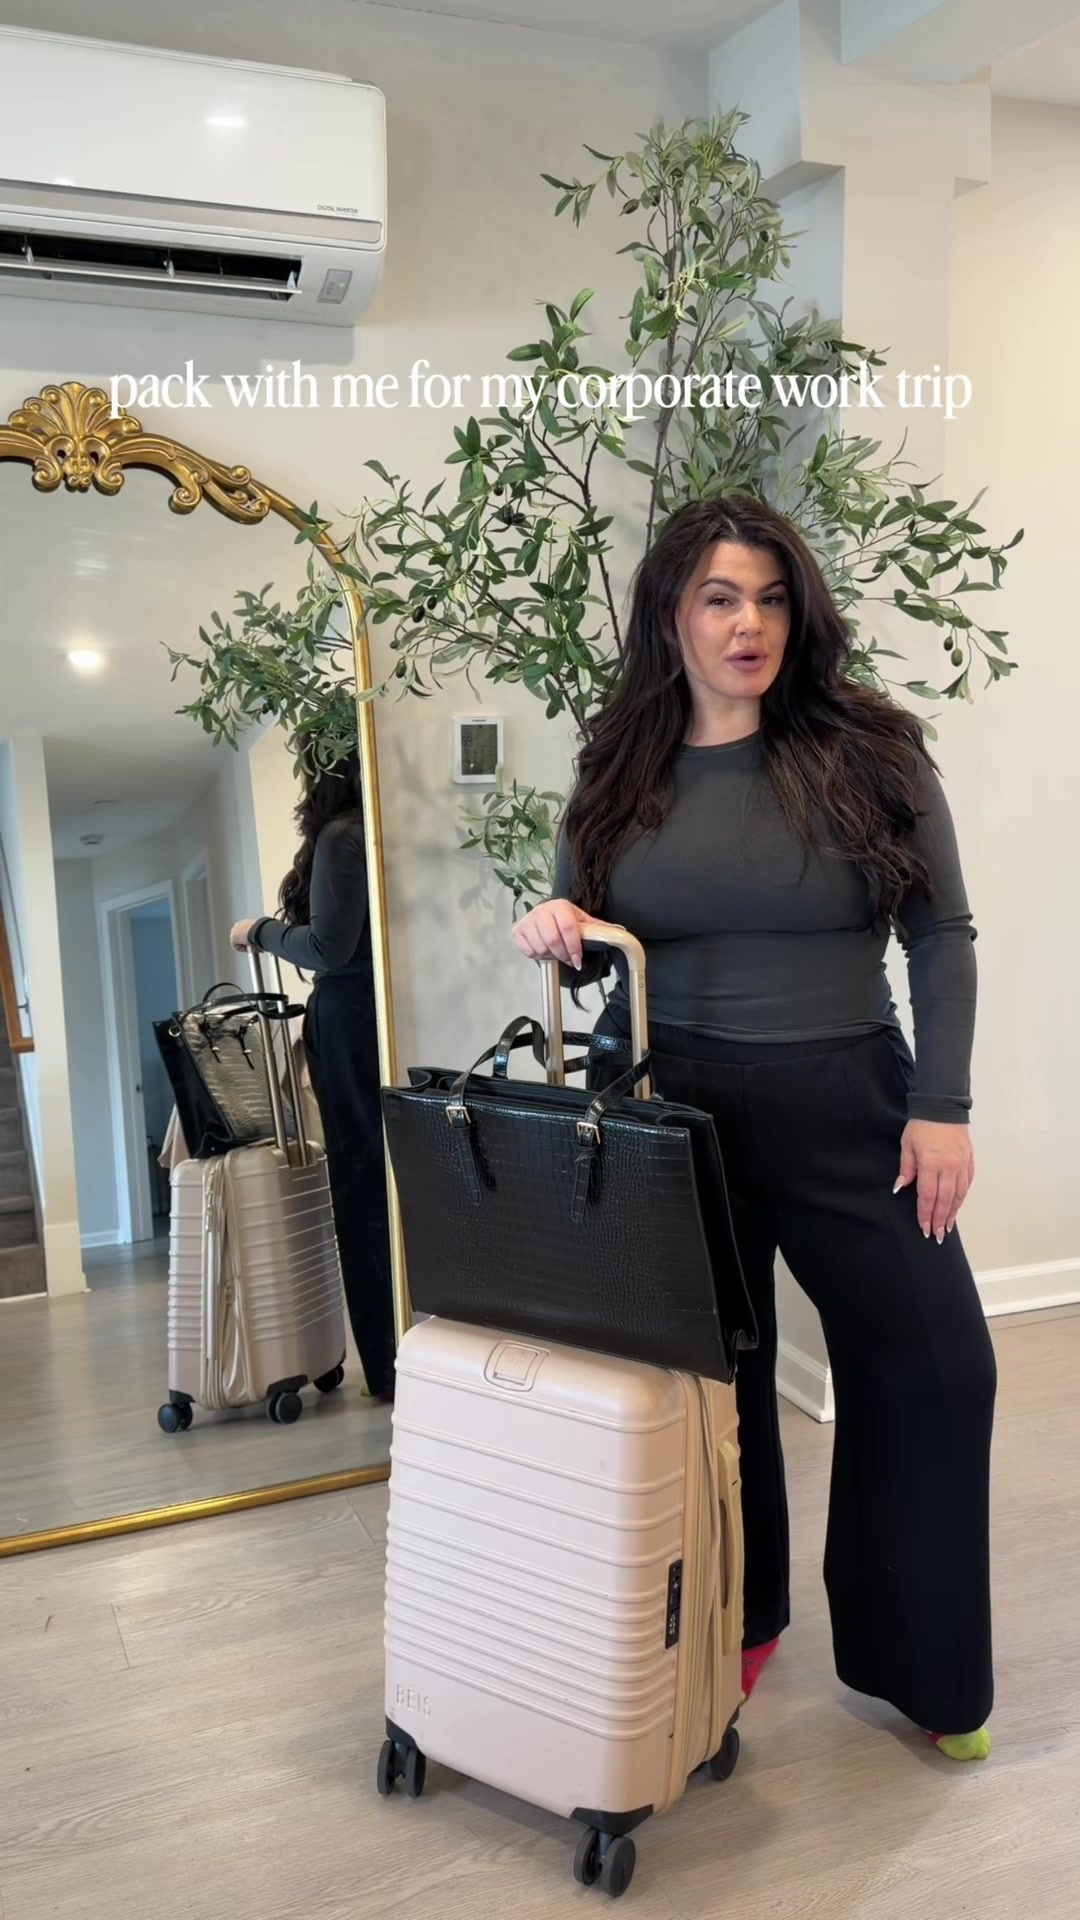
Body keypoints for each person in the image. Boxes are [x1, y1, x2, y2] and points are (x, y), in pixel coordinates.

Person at [512, 494, 996, 1762]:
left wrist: (942, 1109)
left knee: (940, 1370)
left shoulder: (872, 750)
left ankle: (922, 1664)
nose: (750, 625)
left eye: (772, 599)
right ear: (670, 615)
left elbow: (941, 934)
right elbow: (586, 942)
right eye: (720, 598)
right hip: (673, 1111)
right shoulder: (617, 768)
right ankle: (736, 1632)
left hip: (851, 1099)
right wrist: (556, 929)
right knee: (716, 1389)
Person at [231, 749, 396, 1403]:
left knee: (359, 1183)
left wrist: (260, 931)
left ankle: (386, 1365)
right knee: (383, 1178)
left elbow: (328, 946)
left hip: (350, 1017)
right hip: (376, 1012)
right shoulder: (377, 827)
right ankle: (400, 1356)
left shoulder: (341, 837)